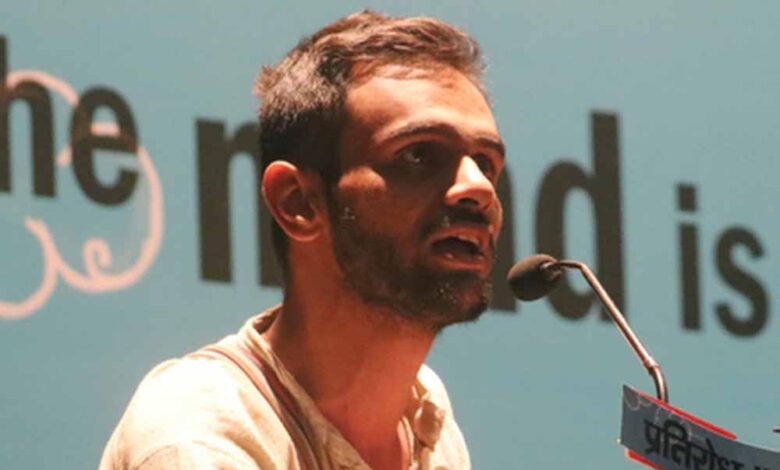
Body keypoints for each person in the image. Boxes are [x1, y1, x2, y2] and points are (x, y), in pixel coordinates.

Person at [100, 10, 505, 470]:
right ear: (298, 202)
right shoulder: (196, 432)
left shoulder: (426, 414)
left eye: (486, 163)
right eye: (418, 155)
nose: (479, 188)